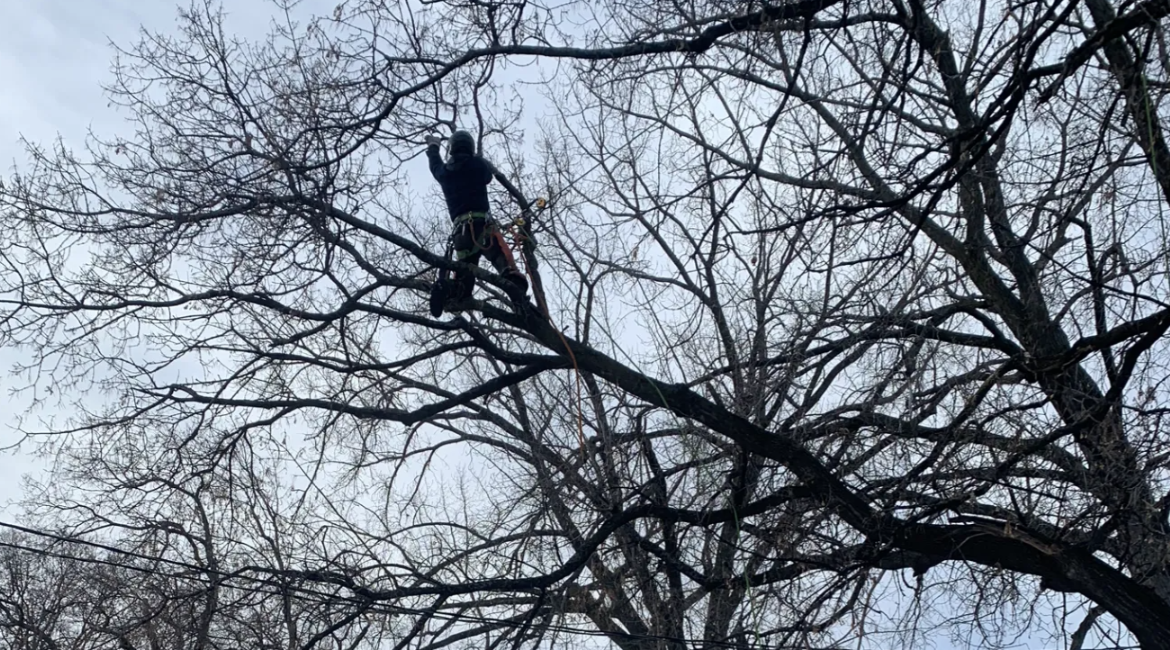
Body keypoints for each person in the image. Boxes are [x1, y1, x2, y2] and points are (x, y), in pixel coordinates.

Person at [424, 130, 528, 316]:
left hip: (461, 235)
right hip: (483, 228)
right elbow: (488, 176)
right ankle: (517, 293)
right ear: (470, 148)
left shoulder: (445, 173)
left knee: (463, 284)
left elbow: (434, 167)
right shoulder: (478, 165)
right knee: (504, 264)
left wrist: (433, 147)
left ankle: (448, 288)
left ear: (452, 149)